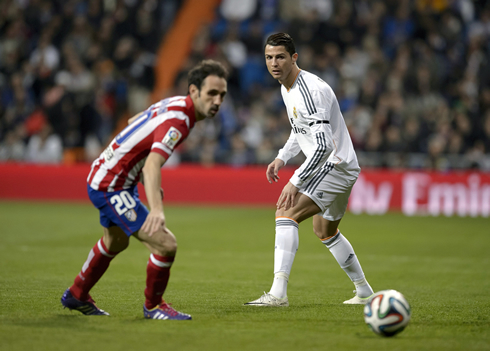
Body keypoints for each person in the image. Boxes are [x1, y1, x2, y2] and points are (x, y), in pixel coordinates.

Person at [61, 60, 228, 319]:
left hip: (108, 176)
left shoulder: (173, 103)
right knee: (165, 244)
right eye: (212, 94)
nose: (217, 101)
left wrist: (137, 177)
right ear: (194, 91)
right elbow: (152, 164)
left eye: (222, 95)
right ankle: (154, 306)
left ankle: (77, 293)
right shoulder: (180, 120)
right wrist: (157, 210)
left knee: (115, 241)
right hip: (112, 186)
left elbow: (134, 121)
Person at [244, 33, 374, 307]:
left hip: (334, 164)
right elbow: (300, 129)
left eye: (280, 57)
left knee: (285, 212)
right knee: (325, 230)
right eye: (269, 57)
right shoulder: (286, 87)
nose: (274, 63)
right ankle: (364, 292)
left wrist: (295, 180)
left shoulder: (310, 90)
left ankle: (278, 294)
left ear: (294, 58)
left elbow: (324, 146)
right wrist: (282, 157)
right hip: (344, 165)